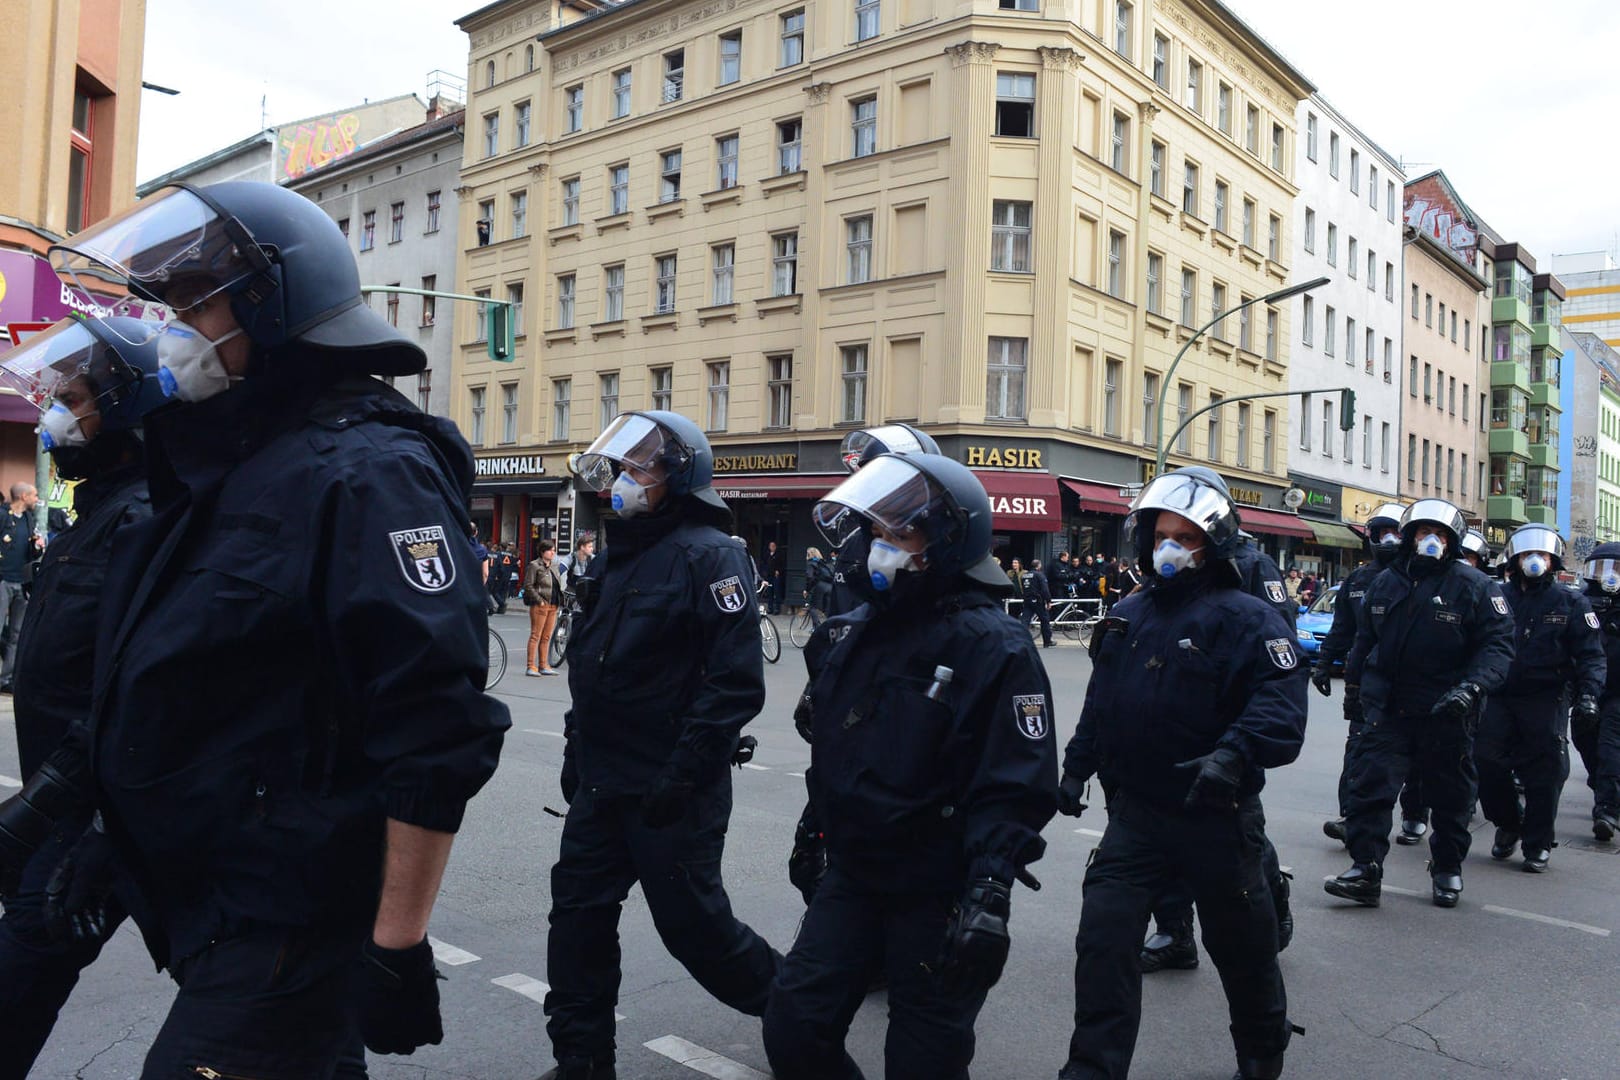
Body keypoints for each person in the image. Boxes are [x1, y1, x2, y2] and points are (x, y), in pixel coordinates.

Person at [8, 180, 511, 1073]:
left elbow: (435, 726)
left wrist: (396, 945)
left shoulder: (371, 469)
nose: (172, 328)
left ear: (274, 305)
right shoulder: (235, 464)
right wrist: (93, 832)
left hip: (291, 908)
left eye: (193, 304)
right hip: (214, 890)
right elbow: (164, 677)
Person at [762, 451, 1057, 1080]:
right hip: (855, 875)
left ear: (948, 540)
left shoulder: (993, 645)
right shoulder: (856, 630)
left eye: (900, 534)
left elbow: (1016, 780)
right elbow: (840, 750)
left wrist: (990, 891)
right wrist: (817, 827)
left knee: (925, 1056)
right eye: (876, 531)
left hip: (938, 884)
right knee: (794, 1024)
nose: (881, 546)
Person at [544, 410, 779, 1079]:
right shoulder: (621, 552)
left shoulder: (713, 554)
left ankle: (804, 1017)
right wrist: (574, 747)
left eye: (639, 467)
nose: (624, 479)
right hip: (603, 782)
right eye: (622, 466)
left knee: (698, 934)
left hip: (671, 788)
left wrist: (682, 777)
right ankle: (582, 1064)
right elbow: (594, 663)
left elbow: (732, 684)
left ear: (677, 477)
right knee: (578, 923)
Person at [1056, 468, 1307, 1080]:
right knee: (1103, 944)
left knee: (1244, 952)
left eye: (1186, 536)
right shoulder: (1128, 613)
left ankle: (1261, 1051)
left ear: (1213, 544)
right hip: (1137, 818)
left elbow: (1280, 708)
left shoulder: (1250, 619)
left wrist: (1233, 754)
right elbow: (1101, 700)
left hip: (1217, 819)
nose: (1170, 546)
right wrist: (1075, 766)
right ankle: (1092, 1069)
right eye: (1162, 533)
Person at [0, 316, 167, 1076]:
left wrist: (70, 820)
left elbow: (133, 696)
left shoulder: (140, 517)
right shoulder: (97, 509)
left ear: (127, 408)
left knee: (20, 974)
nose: (57, 413)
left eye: (74, 398)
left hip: (92, 813)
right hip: (72, 807)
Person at [1134, 465, 1295, 975]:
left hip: (1226, 726)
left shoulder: (1252, 565)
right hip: (1167, 726)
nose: (1172, 545)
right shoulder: (1152, 575)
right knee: (1160, 840)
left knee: (1241, 836)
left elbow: (1279, 643)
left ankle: (1272, 900)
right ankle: (1174, 932)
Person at [1326, 499, 1514, 909]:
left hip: (1446, 711)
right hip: (1389, 709)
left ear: (1453, 541)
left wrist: (1472, 689)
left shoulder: (1476, 587)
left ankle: (1447, 867)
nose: (1431, 541)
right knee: (1370, 788)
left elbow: (1497, 648)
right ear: (1410, 537)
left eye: (1441, 534)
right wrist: (1354, 690)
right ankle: (1366, 869)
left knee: (1451, 797)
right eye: (1424, 533)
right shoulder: (1385, 582)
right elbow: (1364, 640)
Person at [1475, 524, 1605, 873]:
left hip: (1547, 695)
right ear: (1515, 559)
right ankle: (1507, 822)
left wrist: (1589, 694)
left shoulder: (1571, 601)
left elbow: (1591, 654)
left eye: (1543, 555)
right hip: (1500, 692)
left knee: (1545, 770)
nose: (1536, 561)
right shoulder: (1496, 595)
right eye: (1529, 554)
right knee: (1486, 760)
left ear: (1553, 560)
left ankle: (1537, 842)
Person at [1313, 503, 1410, 844]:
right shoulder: (1357, 580)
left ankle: (1415, 814)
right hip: (1367, 680)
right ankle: (1350, 817)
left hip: (1413, 680)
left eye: (1395, 532)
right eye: (1381, 532)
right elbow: (1342, 628)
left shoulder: (1419, 575)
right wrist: (1325, 663)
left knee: (1421, 757)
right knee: (1359, 749)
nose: (1388, 539)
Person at [1578, 544, 1620, 842]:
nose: (1609, 576)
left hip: (1618, 692)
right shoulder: (1582, 604)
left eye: (1616, 569)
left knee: (1610, 746)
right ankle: (1601, 784)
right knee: (1583, 738)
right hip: (1589, 690)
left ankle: (1607, 809)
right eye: (1603, 568)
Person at [0, 482, 42, 692]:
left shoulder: (29, 518)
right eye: (34, 495)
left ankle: (5, 679)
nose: (37, 499)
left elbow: (31, 552)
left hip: (21, 582)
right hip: (3, 579)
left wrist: (37, 547)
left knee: (16, 633)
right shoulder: (2, 515)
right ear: (24, 496)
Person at [524, 540, 566, 677]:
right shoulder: (534, 565)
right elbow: (528, 585)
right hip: (540, 605)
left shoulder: (554, 566)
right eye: (550, 550)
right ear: (542, 552)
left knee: (546, 636)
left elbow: (557, 585)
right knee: (536, 635)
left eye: (554, 550)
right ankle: (531, 666)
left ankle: (543, 665)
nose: (553, 552)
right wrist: (539, 601)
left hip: (553, 605)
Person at [1025, 557, 1055, 647]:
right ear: (1038, 566)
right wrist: (1048, 601)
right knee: (1045, 620)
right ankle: (1047, 641)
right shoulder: (1039, 575)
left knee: (1025, 620)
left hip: (1027, 600)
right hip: (1038, 601)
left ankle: (1020, 638)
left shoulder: (1025, 575)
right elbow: (1045, 590)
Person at [803, 545, 834, 620]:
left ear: (809, 554)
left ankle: (816, 627)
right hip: (830, 586)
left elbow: (809, 577)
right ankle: (830, 627)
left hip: (820, 587)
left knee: (812, 607)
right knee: (827, 610)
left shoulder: (811, 563)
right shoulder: (823, 562)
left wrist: (807, 590)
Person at [761, 539, 787, 615]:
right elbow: (764, 564)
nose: (772, 547)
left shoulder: (779, 554)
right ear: (769, 547)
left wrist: (778, 570)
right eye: (771, 546)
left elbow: (782, 564)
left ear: (775, 547)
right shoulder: (767, 554)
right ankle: (770, 608)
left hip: (776, 576)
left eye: (773, 546)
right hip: (769, 576)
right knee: (770, 592)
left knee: (777, 592)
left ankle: (777, 609)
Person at [489, 542, 514, 615]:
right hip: (508, 574)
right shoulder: (511, 555)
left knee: (495, 590)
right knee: (504, 590)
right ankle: (501, 608)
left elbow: (499, 565)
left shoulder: (498, 555)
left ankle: (502, 604)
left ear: (500, 547)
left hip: (500, 574)